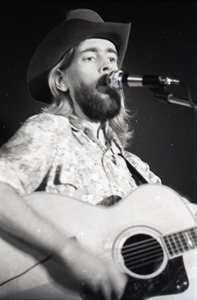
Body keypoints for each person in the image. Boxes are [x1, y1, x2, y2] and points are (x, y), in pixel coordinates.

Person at [0, 8, 196, 300]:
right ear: (62, 80)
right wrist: (70, 252)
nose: (108, 67)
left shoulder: (134, 167)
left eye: (112, 57)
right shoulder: (49, 131)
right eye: (90, 57)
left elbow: (186, 220)